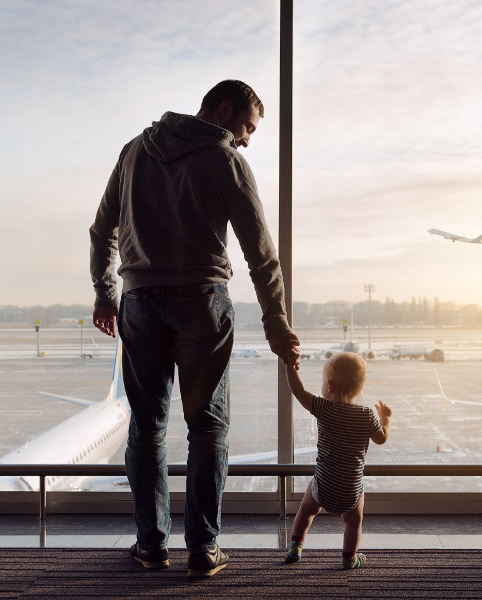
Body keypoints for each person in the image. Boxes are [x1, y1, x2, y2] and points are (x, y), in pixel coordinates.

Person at [89, 80, 301, 577]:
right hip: (202, 305)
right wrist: (276, 322)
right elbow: (261, 256)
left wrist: (106, 293)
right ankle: (204, 549)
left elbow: (103, 230)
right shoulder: (226, 161)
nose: (247, 139)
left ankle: (150, 545)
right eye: (247, 126)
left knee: (146, 429)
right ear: (224, 110)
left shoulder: (135, 150)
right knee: (208, 426)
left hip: (139, 302)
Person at [284, 353, 392, 569]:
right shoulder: (367, 415)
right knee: (354, 521)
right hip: (350, 491)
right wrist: (386, 419)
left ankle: (295, 546)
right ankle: (349, 557)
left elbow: (298, 391)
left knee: (306, 511)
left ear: (329, 385)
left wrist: (290, 365)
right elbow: (381, 438)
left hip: (323, 487)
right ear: (359, 388)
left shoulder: (324, 408)